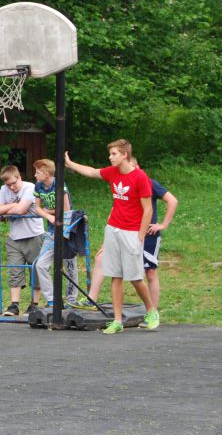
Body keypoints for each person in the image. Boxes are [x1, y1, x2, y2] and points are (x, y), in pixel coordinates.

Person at [65, 140, 159, 333]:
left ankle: (151, 310)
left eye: (114, 154)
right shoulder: (112, 172)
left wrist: (140, 236)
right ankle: (117, 321)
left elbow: (147, 209)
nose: (110, 157)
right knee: (115, 276)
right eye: (110, 154)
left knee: (134, 277)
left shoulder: (140, 177)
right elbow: (91, 171)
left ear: (124, 154)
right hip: (113, 229)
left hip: (132, 232)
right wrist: (70, 163)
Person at [81, 161, 178, 316]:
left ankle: (152, 311)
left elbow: (172, 200)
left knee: (149, 272)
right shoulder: (121, 181)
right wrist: (107, 241)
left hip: (147, 234)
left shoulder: (148, 181)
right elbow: (115, 210)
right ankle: (91, 299)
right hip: (124, 232)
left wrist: (162, 224)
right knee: (102, 260)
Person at [0, 165, 44, 317]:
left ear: (19, 177)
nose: (11, 187)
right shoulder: (4, 190)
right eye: (8, 185)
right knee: (15, 270)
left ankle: (34, 304)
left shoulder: (30, 187)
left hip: (33, 234)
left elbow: (21, 210)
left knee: (36, 270)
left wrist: (7, 210)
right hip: (15, 237)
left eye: (14, 183)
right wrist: (14, 205)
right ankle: (14, 305)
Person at [31, 159, 73, 311]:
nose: (35, 175)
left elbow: (66, 209)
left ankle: (71, 299)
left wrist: (48, 211)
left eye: (38, 172)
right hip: (51, 230)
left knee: (69, 265)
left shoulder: (59, 185)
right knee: (41, 264)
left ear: (47, 174)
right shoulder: (38, 186)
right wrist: (48, 215)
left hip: (67, 228)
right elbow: (37, 208)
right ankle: (51, 299)